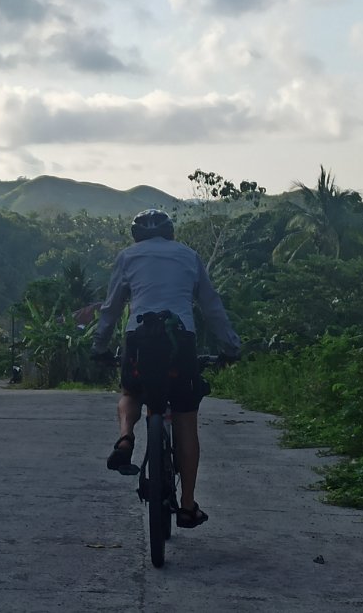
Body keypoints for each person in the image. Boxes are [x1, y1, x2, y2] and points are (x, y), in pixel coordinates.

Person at [91, 208, 241, 529]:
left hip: (139, 340)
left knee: (132, 390)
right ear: (170, 232)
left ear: (136, 236)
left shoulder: (128, 257)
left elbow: (111, 308)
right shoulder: (189, 256)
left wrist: (99, 347)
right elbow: (212, 307)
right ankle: (187, 505)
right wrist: (231, 348)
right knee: (185, 418)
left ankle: (126, 438)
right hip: (180, 341)